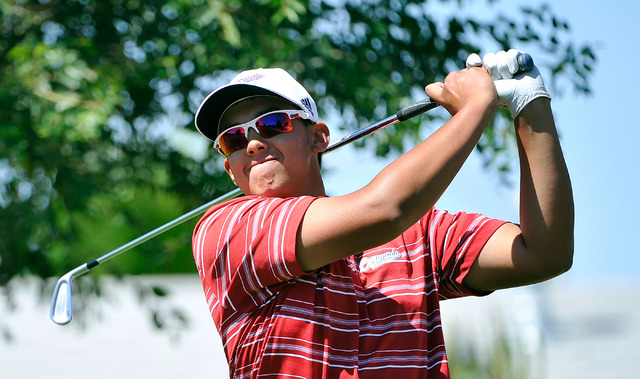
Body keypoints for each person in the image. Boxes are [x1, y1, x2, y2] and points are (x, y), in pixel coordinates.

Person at [191, 50, 574, 378]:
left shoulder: (420, 233)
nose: (254, 144)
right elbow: (385, 209)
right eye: (234, 140)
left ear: (318, 137)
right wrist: (475, 107)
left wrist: (530, 108)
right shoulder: (224, 230)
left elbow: (543, 255)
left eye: (272, 124)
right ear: (229, 167)